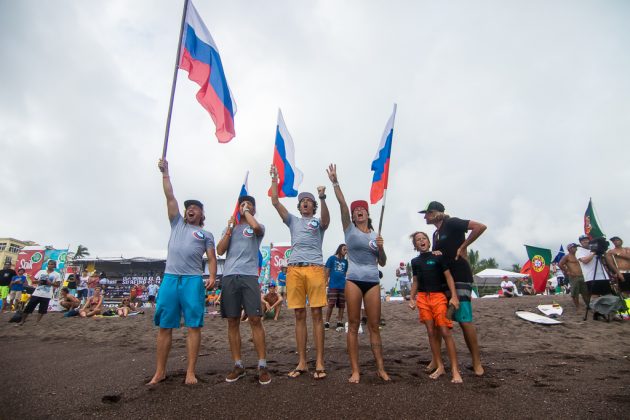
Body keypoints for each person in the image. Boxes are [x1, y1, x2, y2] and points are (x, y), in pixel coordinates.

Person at [148, 158, 217, 386]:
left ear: (201, 214)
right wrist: (165, 174)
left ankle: (190, 372)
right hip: (170, 278)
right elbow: (170, 197)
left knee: (193, 326)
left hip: (192, 280)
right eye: (189, 207)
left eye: (195, 208)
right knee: (165, 326)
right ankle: (160, 372)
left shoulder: (206, 235)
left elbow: (212, 257)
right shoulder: (177, 223)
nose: (190, 209)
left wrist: (213, 277)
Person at [327, 164, 390, 383]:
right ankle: (355, 370)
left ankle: (380, 368)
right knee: (352, 325)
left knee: (374, 326)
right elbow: (342, 204)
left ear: (367, 213)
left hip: (372, 281)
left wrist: (380, 247)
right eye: (355, 210)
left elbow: (382, 262)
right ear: (353, 216)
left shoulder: (375, 235)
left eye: (361, 208)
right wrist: (335, 182)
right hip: (353, 279)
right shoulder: (349, 229)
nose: (357, 211)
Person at [270, 164, 329, 380]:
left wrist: (322, 198)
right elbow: (275, 202)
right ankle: (302, 361)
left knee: (316, 314)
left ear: (313, 206)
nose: (305, 203)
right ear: (300, 206)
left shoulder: (317, 221)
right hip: (294, 269)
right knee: (298, 315)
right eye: (303, 202)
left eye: (309, 202)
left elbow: (326, 221)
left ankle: (320, 361)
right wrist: (275, 179)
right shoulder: (293, 221)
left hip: (314, 268)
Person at [421, 200, 486, 376]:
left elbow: (480, 227)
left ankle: (476, 362)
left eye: (427, 213)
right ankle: (436, 359)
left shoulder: (452, 222)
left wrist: (463, 247)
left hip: (460, 275)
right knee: (438, 321)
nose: (425, 217)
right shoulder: (435, 234)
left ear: (435, 213)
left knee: (464, 319)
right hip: (443, 279)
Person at [216, 194, 270, 385]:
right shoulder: (230, 227)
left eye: (248, 205)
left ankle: (262, 365)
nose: (244, 207)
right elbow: (220, 250)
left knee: (255, 319)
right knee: (232, 320)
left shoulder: (257, 227)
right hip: (230, 276)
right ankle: (238, 365)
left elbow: (255, 227)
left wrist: (246, 212)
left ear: (253, 209)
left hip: (249, 276)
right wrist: (229, 229)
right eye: (241, 205)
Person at [408, 231, 462, 383]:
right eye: (418, 240)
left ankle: (455, 371)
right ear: (415, 245)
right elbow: (415, 281)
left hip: (438, 296)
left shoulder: (438, 256)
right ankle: (440, 366)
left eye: (424, 238)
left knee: (445, 331)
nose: (421, 241)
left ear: (429, 242)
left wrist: (454, 296)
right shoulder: (415, 261)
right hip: (423, 298)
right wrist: (412, 297)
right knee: (431, 332)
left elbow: (448, 276)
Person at [20, 260, 61, 324]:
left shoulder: (57, 274)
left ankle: (37, 322)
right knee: (28, 307)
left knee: (42, 310)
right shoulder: (41, 272)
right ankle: (22, 321)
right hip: (37, 293)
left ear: (55, 266)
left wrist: (50, 283)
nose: (50, 265)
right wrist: (39, 281)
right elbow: (33, 281)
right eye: (49, 264)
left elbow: (58, 285)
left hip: (47, 294)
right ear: (47, 265)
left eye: (52, 264)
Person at [575, 235, 611, 300]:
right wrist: (593, 252)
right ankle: (595, 309)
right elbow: (585, 261)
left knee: (607, 294)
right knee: (595, 295)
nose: (586, 241)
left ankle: (608, 309)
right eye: (583, 240)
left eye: (587, 239)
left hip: (603, 275)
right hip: (591, 277)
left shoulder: (594, 249)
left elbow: (603, 262)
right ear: (580, 242)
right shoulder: (579, 251)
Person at [324, 244, 348, 331]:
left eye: (347, 250)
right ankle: (327, 322)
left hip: (342, 286)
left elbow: (345, 273)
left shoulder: (346, 262)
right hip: (333, 285)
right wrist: (326, 281)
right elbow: (327, 270)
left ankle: (339, 322)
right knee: (331, 304)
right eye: (344, 249)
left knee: (342, 305)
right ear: (340, 249)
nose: (346, 251)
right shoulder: (332, 258)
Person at [559, 243, 589, 309]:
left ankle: (588, 305)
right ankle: (577, 306)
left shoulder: (579, 255)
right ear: (569, 249)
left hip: (583, 275)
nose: (576, 248)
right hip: (574, 276)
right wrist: (567, 272)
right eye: (574, 247)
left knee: (586, 292)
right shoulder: (567, 256)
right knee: (575, 293)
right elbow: (560, 264)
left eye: (576, 247)